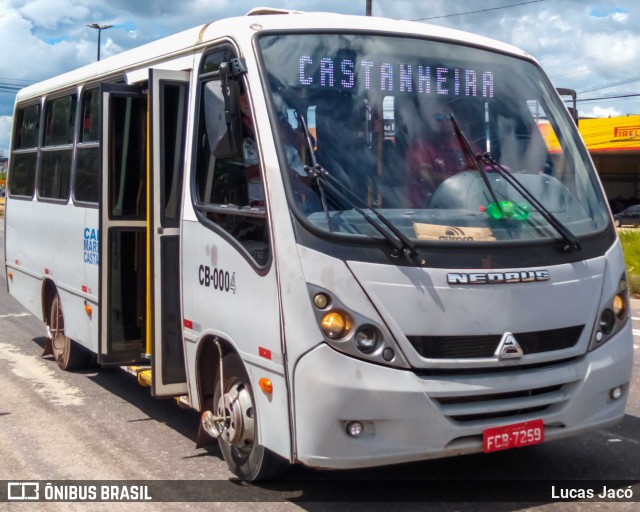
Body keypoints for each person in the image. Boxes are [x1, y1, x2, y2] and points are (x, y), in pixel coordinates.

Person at [405, 100, 478, 206]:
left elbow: (481, 177)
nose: (444, 122)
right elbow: (425, 176)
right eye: (438, 118)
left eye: (449, 117)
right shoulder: (421, 148)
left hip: (466, 212)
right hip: (426, 214)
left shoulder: (470, 149)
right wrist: (462, 181)